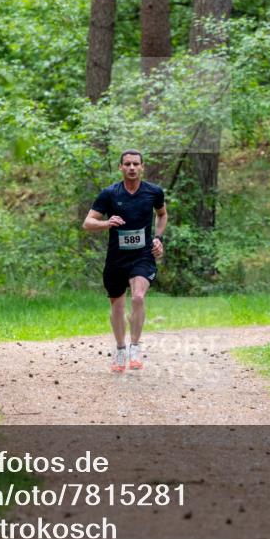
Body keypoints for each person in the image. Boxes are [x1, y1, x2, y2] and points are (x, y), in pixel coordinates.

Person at [82, 150, 167, 373]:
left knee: (138, 296)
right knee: (117, 307)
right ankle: (120, 349)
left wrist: (158, 238)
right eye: (127, 164)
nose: (131, 167)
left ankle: (135, 347)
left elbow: (162, 214)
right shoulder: (109, 194)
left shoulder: (153, 192)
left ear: (142, 167)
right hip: (116, 258)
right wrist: (106, 223)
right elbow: (88, 222)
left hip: (143, 255)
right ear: (120, 167)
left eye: (135, 164)